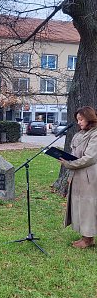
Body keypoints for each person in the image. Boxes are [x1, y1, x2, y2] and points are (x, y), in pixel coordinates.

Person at [59, 106, 97, 248]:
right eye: (77, 120)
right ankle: (85, 236)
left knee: (88, 207)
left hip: (89, 177)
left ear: (89, 118)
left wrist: (69, 163)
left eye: (81, 119)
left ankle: (88, 239)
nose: (79, 122)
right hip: (77, 175)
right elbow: (74, 153)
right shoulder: (79, 134)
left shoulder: (95, 134)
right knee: (80, 206)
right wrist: (67, 164)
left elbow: (90, 158)